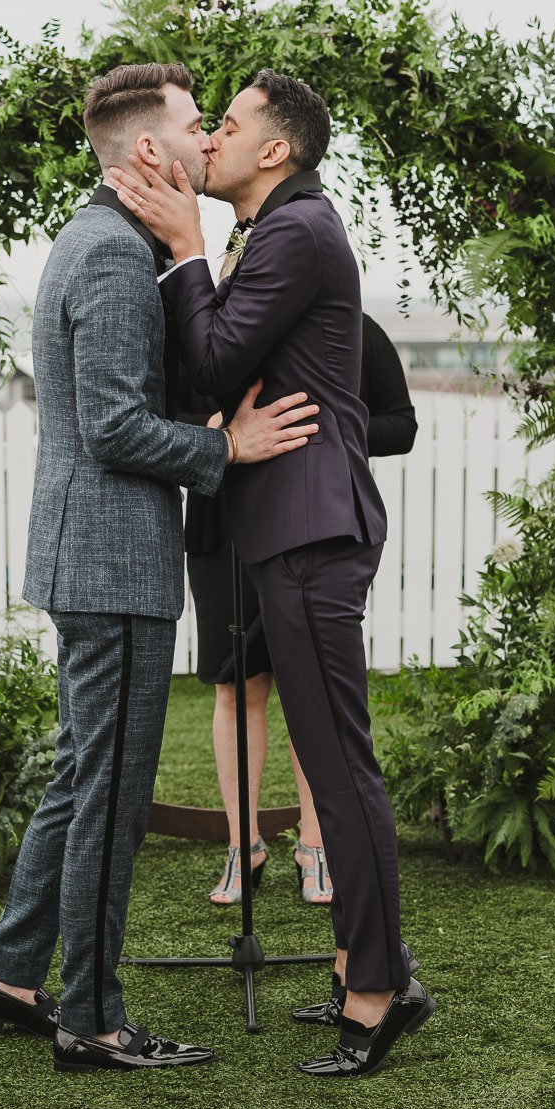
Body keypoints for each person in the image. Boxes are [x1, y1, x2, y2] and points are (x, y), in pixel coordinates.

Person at [0, 62, 320, 1074]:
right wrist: (227, 449)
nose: (210, 140)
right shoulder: (117, 257)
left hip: (90, 553)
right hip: (113, 562)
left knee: (83, 778)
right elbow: (118, 428)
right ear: (150, 149)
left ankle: (11, 977)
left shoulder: (98, 237)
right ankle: (95, 1018)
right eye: (198, 126)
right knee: (111, 793)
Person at [111, 69, 436, 1079]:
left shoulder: (295, 229)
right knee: (339, 765)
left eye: (232, 123)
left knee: (340, 770)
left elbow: (209, 362)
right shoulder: (285, 228)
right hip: (295, 527)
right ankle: (363, 967)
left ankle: (379, 996)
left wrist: (183, 251)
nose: (212, 137)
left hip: (308, 529)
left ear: (276, 151)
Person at [178, 314, 418, 908]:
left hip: (308, 522)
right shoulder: (208, 330)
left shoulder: (352, 329)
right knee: (235, 687)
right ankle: (243, 844)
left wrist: (318, 430)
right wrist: (222, 432)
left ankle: (315, 844)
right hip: (222, 526)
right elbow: (169, 411)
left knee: (308, 688)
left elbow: (401, 426)